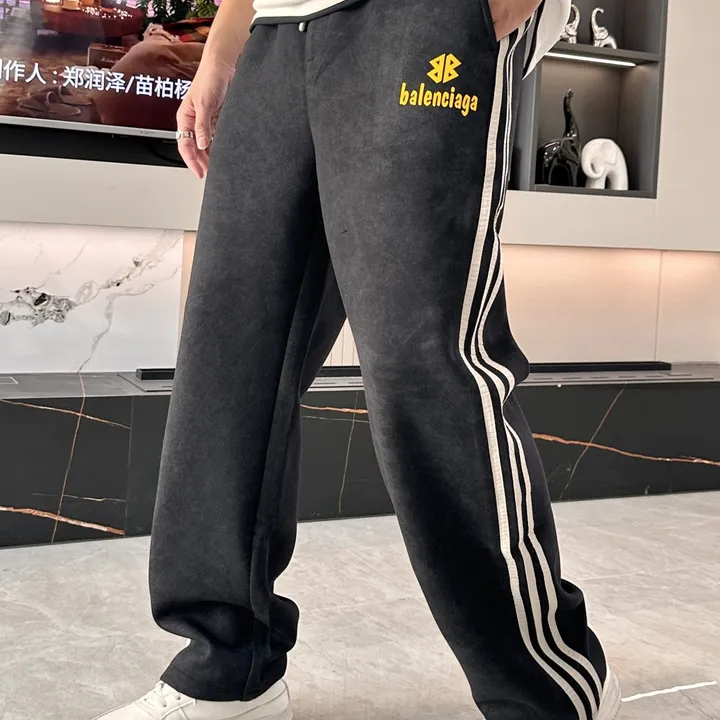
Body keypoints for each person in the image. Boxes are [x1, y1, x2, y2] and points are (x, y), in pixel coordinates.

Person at [95, 0, 621, 718]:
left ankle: (545, 690)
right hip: (274, 33)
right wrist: (222, 49)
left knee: (424, 365)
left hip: (418, 16)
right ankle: (227, 667)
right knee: (231, 357)